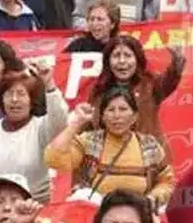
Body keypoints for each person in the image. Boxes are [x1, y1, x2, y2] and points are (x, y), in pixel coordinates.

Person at [45, 87, 174, 209]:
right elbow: (53, 159)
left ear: (134, 117)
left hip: (138, 213)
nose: (117, 116)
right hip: (94, 214)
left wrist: (152, 198)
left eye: (123, 109)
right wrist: (77, 122)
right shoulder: (89, 141)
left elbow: (166, 182)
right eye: (111, 110)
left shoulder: (150, 146)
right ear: (103, 117)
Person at [0, 66, 68, 202]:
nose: (14, 99)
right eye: (9, 94)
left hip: (34, 208)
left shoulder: (41, 127)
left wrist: (49, 84)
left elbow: (59, 119)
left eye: (21, 94)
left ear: (31, 101)